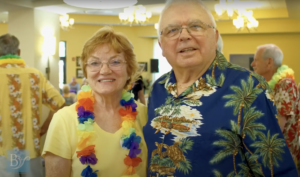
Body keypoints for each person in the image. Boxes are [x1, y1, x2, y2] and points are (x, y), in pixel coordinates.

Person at [143, 0, 298, 176]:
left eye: (196, 26)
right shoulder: (158, 89)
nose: (184, 36)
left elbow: (276, 172)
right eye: (172, 30)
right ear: (162, 46)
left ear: (215, 36)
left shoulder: (249, 88)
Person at [42, 26, 148, 177]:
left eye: (115, 62)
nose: (105, 70)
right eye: (94, 63)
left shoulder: (145, 115)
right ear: (86, 71)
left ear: (129, 69)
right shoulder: (64, 120)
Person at [0, 34, 65, 177]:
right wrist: (44, 128)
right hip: (30, 148)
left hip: (3, 150)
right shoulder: (35, 75)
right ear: (19, 52)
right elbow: (59, 103)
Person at [251, 44, 300, 169]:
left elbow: (278, 125)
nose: (252, 64)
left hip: (280, 159)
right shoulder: (273, 85)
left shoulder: (285, 84)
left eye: (256, 60)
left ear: (269, 62)